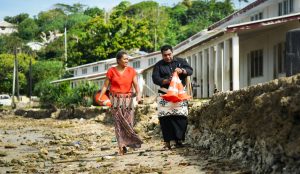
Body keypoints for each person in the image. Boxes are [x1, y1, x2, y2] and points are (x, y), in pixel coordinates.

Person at [98, 50, 143, 155]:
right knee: (118, 123)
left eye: (128, 59)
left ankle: (129, 143)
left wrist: (139, 95)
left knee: (128, 122)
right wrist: (101, 96)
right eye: (125, 59)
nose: (127, 60)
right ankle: (121, 146)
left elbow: (136, 85)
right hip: (115, 99)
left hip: (128, 99)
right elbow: (105, 85)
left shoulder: (131, 71)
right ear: (118, 60)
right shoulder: (111, 71)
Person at [152, 44, 193, 150]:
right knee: (165, 119)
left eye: (169, 54)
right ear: (162, 55)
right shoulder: (158, 65)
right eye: (165, 55)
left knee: (181, 117)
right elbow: (155, 79)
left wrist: (182, 71)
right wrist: (166, 81)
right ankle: (167, 143)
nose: (168, 57)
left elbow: (190, 70)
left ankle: (178, 141)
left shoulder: (181, 62)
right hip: (165, 94)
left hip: (179, 94)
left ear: (172, 53)